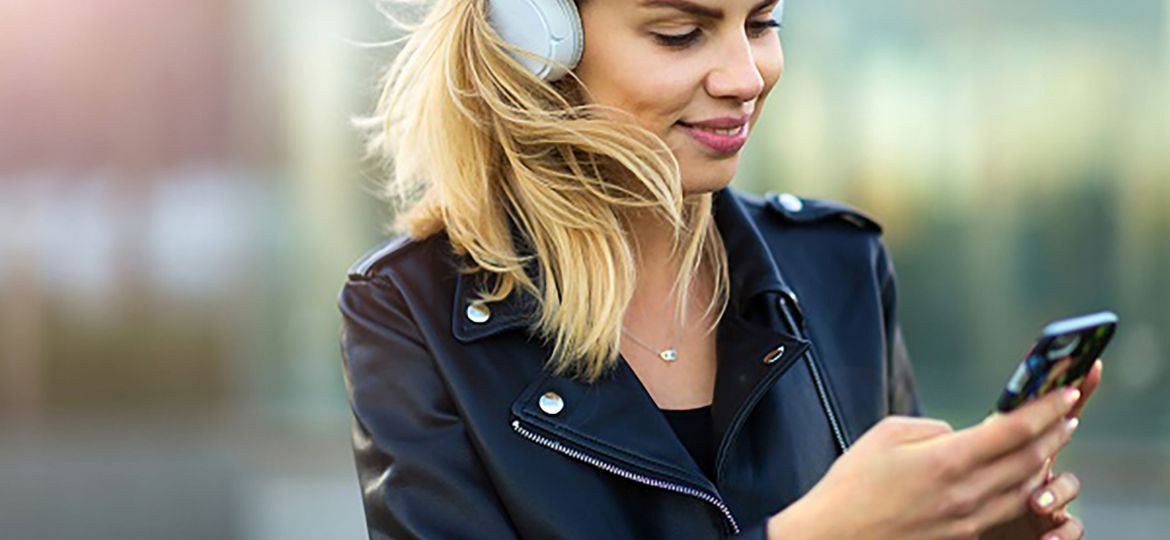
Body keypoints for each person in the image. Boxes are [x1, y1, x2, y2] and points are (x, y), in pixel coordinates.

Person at [337, 1, 1101, 538]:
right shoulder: (411, 310)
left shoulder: (841, 265)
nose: (746, 75)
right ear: (536, 37)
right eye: (680, 33)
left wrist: (969, 534)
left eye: (763, 22)